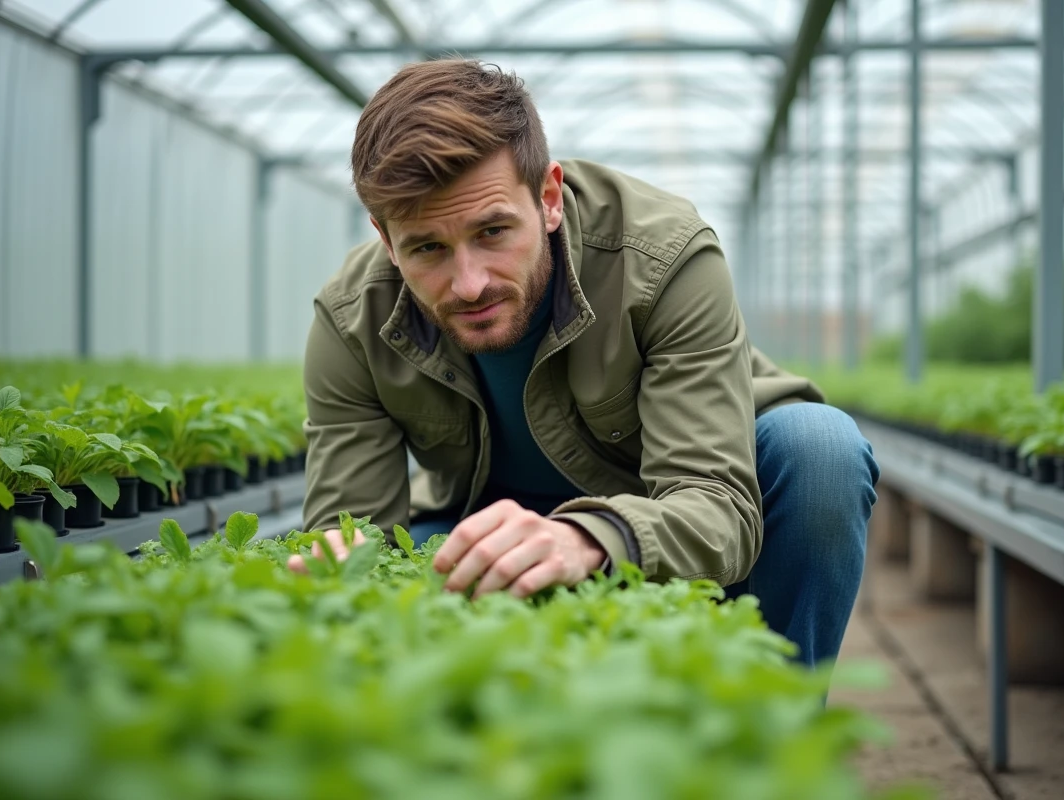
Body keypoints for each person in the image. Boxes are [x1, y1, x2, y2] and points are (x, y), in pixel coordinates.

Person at [293, 58, 879, 668]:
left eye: (493, 232)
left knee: (820, 449)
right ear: (386, 240)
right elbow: (353, 534)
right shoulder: (352, 316)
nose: (469, 284)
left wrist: (589, 538)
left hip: (660, 505)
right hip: (478, 518)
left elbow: (715, 505)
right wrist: (337, 556)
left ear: (548, 198)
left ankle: (776, 713)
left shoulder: (661, 256)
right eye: (428, 248)